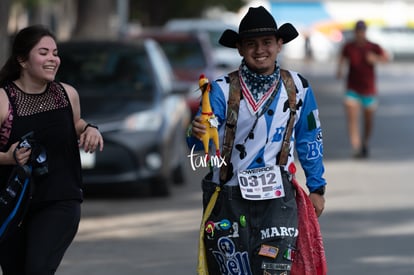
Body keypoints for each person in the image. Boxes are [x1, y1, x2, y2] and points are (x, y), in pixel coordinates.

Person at [187, 6, 327, 275]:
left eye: (267, 42)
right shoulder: (219, 90)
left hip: (278, 201)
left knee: (274, 270)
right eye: (251, 44)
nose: (260, 50)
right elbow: (200, 146)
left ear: (279, 44)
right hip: (227, 198)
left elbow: (310, 139)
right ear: (240, 48)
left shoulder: (299, 87)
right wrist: (197, 135)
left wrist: (317, 188)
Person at [0, 25, 104, 274]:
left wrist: (90, 128)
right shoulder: (4, 100)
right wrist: (8, 157)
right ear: (22, 60)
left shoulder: (67, 94)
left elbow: (75, 122)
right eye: (43, 52)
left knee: (37, 269)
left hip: (60, 199)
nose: (52, 59)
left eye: (55, 53)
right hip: (12, 203)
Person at [336, 20, 389, 158]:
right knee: (352, 117)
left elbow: (386, 57)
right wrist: (340, 70)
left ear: (365, 32)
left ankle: (365, 142)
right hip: (352, 87)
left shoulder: (373, 46)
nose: (360, 34)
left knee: (368, 119)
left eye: (362, 31)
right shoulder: (349, 46)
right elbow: (342, 57)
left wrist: (375, 58)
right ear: (355, 32)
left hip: (368, 89)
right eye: (358, 31)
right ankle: (356, 145)